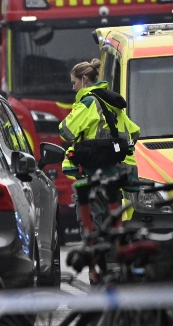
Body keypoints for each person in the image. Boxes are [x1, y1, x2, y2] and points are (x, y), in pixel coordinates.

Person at [59, 59, 140, 235]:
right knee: (114, 222)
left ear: (84, 79)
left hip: (92, 172)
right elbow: (134, 132)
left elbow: (65, 132)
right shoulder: (113, 103)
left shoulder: (88, 102)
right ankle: (113, 257)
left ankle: (96, 257)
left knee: (92, 226)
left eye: (74, 83)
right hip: (115, 174)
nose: (73, 88)